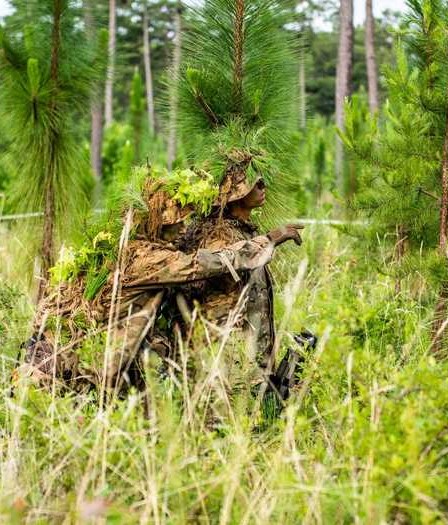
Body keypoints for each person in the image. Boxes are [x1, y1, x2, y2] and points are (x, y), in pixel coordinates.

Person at [19, 163, 304, 400]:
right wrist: (270, 239)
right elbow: (208, 263)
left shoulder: (127, 248)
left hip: (64, 357)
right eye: (174, 222)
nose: (183, 228)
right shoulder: (148, 258)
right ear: (156, 222)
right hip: (57, 367)